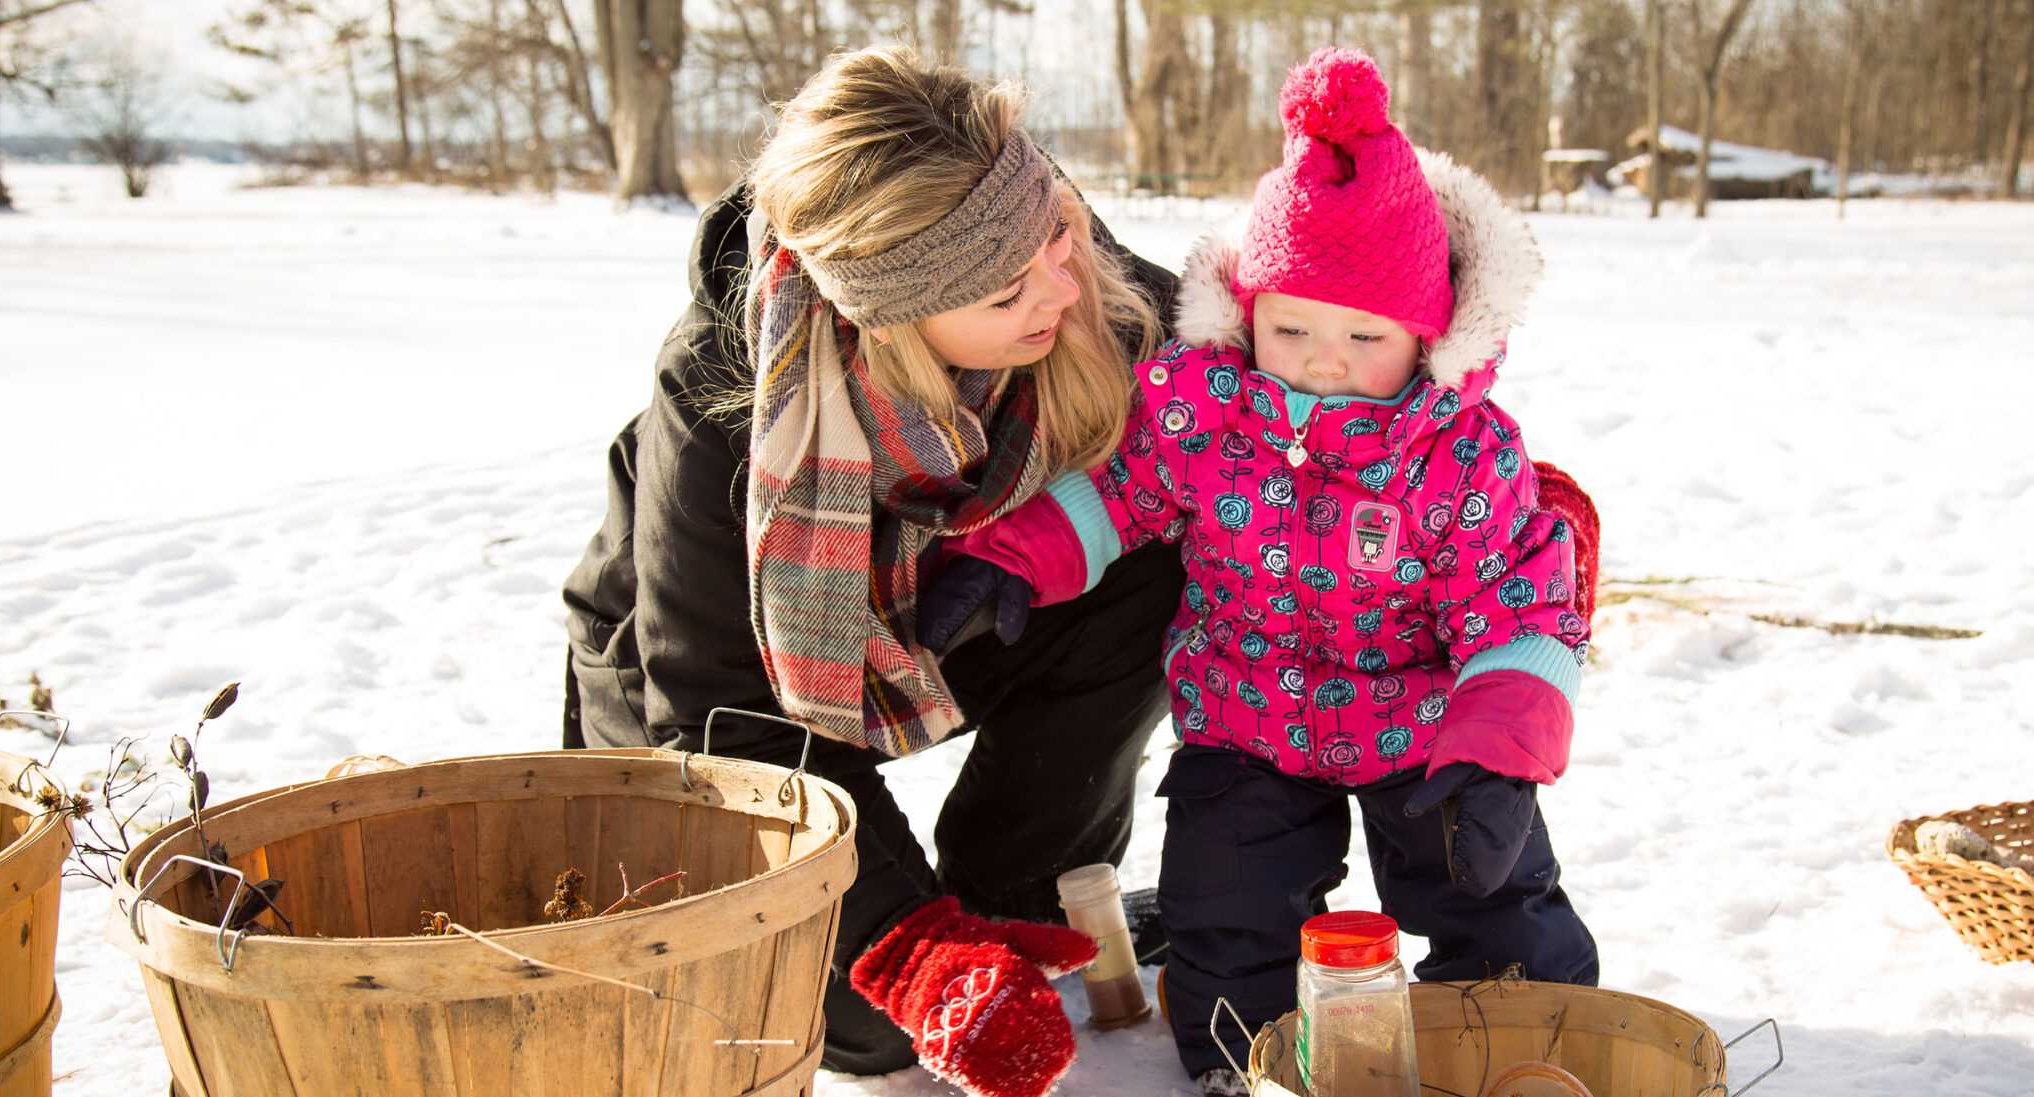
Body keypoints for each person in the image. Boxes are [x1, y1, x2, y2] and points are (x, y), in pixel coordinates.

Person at [926, 48, 1602, 1096]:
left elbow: (1519, 608)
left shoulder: (1461, 454)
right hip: (1247, 719)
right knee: (1222, 907)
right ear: (1250, 311)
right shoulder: (1201, 408)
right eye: (1291, 327)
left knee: (1489, 888)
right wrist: (1013, 558)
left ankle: (1520, 1037)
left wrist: (1497, 752)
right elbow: (1120, 492)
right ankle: (1242, 1063)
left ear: (1427, 334)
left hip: (1430, 728)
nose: (1323, 360)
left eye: (1363, 335)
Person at [559, 47, 1184, 1097]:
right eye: (1006, 289)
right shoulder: (720, 391)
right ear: (890, 316)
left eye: (1057, 241)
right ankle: (929, 946)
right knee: (870, 1027)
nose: (1061, 290)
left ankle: (1015, 899)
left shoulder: (1083, 282)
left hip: (960, 600)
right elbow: (721, 711)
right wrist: (907, 944)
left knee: (1165, 552)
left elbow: (1298, 410)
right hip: (722, 669)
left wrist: (1483, 500)